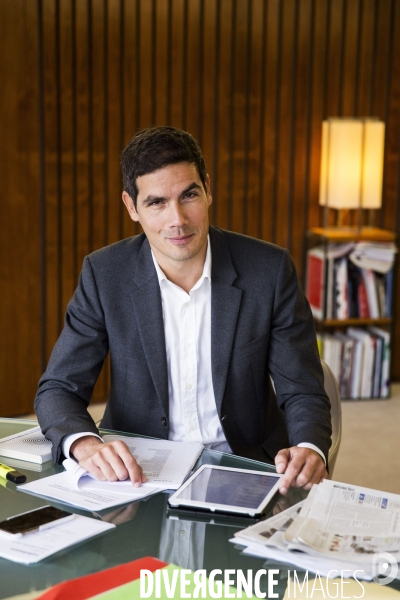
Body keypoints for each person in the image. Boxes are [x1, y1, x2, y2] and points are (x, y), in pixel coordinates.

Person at [35, 126, 331, 496]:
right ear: (131, 207)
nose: (177, 219)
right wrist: (86, 445)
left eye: (188, 195)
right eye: (157, 202)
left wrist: (309, 447)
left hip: (248, 463)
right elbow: (58, 388)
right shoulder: (104, 274)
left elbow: (302, 388)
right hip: (138, 469)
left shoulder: (268, 270)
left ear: (208, 190)